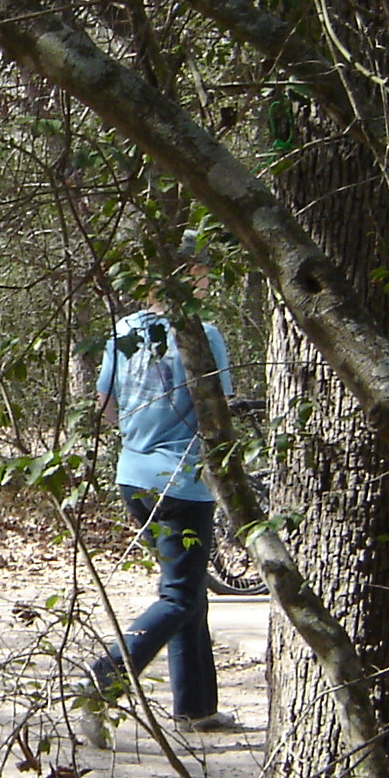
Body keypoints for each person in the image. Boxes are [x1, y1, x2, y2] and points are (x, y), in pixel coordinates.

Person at [89, 247, 239, 733]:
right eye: (203, 273)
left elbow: (105, 404)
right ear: (186, 278)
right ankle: (105, 676)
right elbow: (219, 411)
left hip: (134, 478)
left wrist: (141, 435)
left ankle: (196, 707)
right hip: (181, 486)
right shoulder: (202, 335)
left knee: (189, 592)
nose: (208, 281)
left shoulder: (124, 331)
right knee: (178, 596)